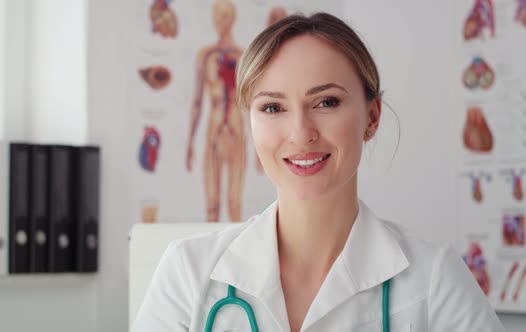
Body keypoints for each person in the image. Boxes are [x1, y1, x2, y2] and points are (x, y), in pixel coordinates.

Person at [133, 12, 505, 332]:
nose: (300, 133)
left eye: (326, 102)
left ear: (371, 117)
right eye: (272, 108)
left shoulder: (436, 279)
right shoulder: (187, 273)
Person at [185, 0, 247, 222]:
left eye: (222, 16)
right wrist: (190, 141)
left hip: (237, 130)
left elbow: (255, 104)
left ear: (232, 19)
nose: (218, 22)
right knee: (211, 203)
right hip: (214, 131)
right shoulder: (206, 56)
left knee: (234, 203)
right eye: (216, 16)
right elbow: (197, 101)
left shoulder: (245, 57)